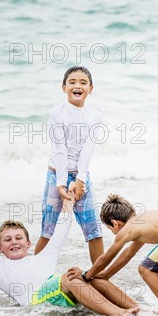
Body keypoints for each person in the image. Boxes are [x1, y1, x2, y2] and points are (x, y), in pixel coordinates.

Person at [0, 198, 139, 316]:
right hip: (36, 301)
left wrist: (68, 203)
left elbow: (60, 233)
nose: (14, 242)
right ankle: (119, 313)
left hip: (61, 294)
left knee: (92, 277)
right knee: (69, 277)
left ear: (29, 243)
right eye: (7, 240)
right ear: (0, 248)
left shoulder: (42, 257)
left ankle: (135, 307)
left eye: (19, 238)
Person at [34, 66, 104, 263]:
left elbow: (88, 151)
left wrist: (80, 180)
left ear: (91, 88)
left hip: (82, 177)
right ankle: (35, 275)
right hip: (56, 175)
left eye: (83, 82)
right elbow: (59, 150)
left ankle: (99, 277)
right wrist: (61, 184)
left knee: (94, 230)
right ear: (63, 87)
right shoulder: (57, 113)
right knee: (48, 230)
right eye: (72, 82)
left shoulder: (95, 117)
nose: (77, 86)